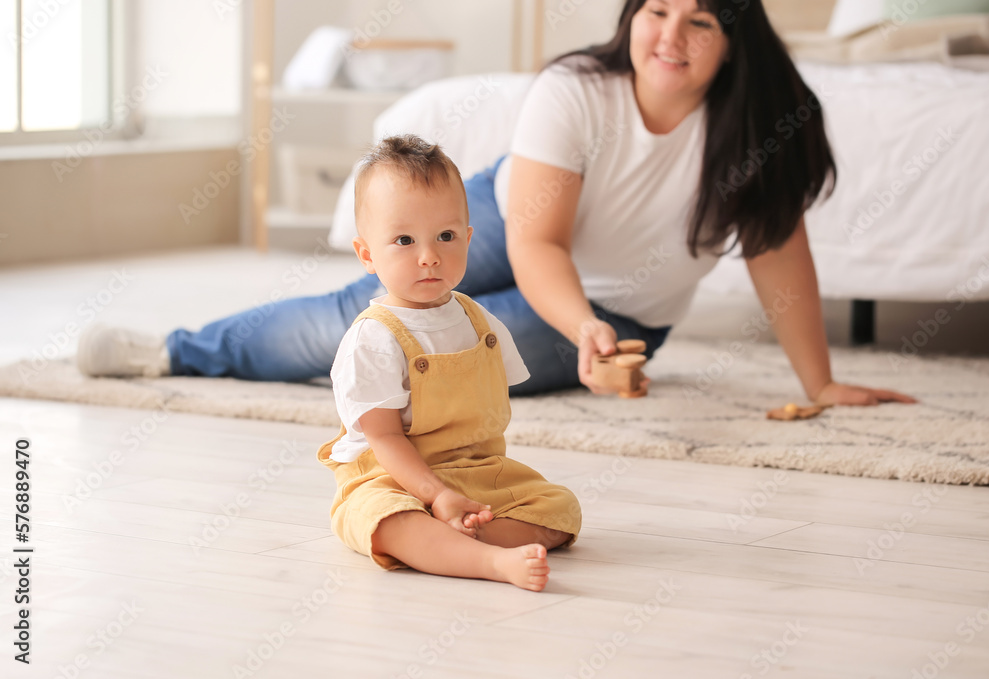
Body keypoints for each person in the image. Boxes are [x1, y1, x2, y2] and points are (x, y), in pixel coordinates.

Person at [77, 0, 916, 408]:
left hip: (621, 308)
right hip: (500, 222)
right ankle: (179, 351)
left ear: (735, 41)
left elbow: (780, 254)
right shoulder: (578, 92)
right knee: (356, 325)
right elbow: (539, 242)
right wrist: (578, 318)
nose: (669, 36)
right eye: (656, 9)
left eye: (699, 21)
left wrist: (822, 380)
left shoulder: (757, 128)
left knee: (449, 369)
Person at [316, 135, 579, 591]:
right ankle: (489, 561)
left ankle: (457, 535)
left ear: (468, 238)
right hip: (391, 476)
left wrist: (457, 492)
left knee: (560, 509)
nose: (429, 255)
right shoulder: (373, 339)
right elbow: (383, 438)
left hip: (472, 472)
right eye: (403, 240)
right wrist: (434, 494)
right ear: (366, 255)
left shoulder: (478, 321)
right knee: (386, 521)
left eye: (446, 236)